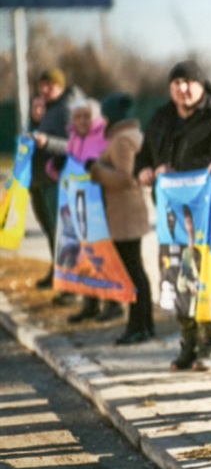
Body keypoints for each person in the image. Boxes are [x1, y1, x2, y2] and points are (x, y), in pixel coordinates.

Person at [135, 60, 211, 371]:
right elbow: (144, 154)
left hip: (206, 217)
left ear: (201, 85)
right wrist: (142, 169)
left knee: (205, 277)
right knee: (176, 275)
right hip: (171, 219)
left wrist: (176, 171)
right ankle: (188, 341)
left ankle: (210, 342)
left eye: (188, 82)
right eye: (176, 83)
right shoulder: (161, 118)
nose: (182, 89)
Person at [91, 94, 155, 344]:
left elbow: (127, 177)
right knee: (136, 270)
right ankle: (144, 324)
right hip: (129, 210)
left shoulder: (121, 139)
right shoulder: (133, 134)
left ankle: (137, 326)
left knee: (131, 272)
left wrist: (96, 171)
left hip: (124, 212)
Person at [54, 98, 123, 325]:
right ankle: (89, 304)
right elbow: (67, 175)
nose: (82, 120)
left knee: (102, 254)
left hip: (99, 206)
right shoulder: (73, 139)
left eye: (87, 116)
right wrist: (54, 167)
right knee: (83, 255)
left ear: (96, 118)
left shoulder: (104, 137)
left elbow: (109, 168)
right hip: (76, 206)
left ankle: (112, 303)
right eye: (78, 116)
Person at [29, 68, 83, 290]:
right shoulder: (47, 109)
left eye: (50, 85)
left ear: (61, 87)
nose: (45, 90)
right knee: (51, 232)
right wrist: (35, 122)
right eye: (42, 85)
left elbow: (73, 146)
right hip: (40, 181)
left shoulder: (68, 109)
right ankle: (57, 274)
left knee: (64, 234)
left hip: (58, 181)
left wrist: (46, 142)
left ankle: (70, 283)